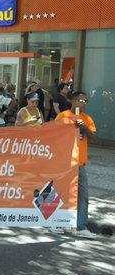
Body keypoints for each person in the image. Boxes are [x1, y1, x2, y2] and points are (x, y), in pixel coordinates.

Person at [55, 91, 98, 239]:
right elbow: (52, 136)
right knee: (59, 192)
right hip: (64, 162)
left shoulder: (87, 118)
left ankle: (80, 226)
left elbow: (94, 139)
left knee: (82, 195)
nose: (84, 103)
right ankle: (56, 222)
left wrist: (84, 127)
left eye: (86, 101)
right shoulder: (63, 116)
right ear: (73, 101)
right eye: (81, 100)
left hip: (79, 163)